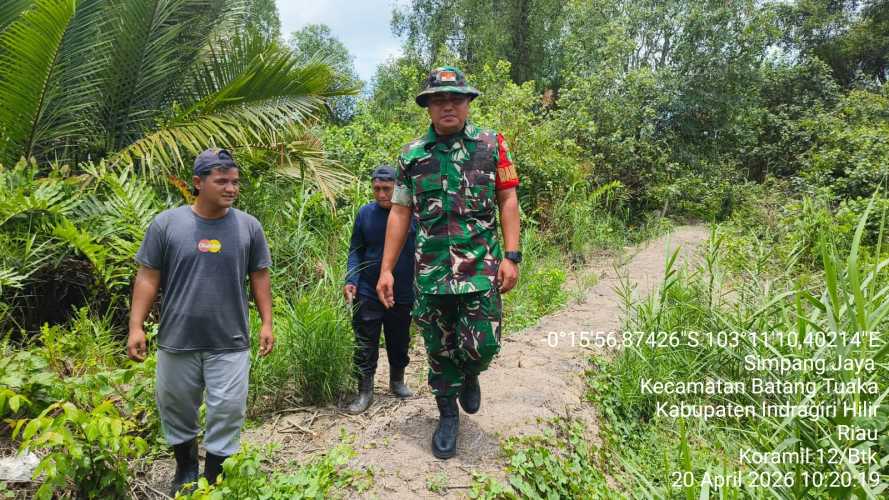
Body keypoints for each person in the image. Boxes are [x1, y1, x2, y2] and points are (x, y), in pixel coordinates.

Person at [376, 66, 522, 459]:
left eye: (456, 98)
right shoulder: (412, 155)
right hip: (431, 273)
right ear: (427, 107)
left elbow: (507, 199)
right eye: (438, 99)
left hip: (480, 267)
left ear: (468, 102)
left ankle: (472, 373)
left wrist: (511, 256)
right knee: (439, 350)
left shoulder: (492, 145)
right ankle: (447, 416)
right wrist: (387, 269)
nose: (448, 106)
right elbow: (400, 212)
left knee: (483, 345)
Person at [127, 148, 274, 495]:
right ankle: (186, 467)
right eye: (222, 181)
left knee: (228, 408)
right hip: (177, 338)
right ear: (198, 182)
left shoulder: (248, 227)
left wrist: (267, 321)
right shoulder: (167, 224)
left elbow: (260, 276)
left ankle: (214, 473)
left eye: (235, 182)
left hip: (230, 338)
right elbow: (148, 277)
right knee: (176, 405)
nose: (231, 188)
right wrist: (136, 325)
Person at [343, 165, 417, 414]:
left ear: (397, 188)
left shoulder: (412, 215)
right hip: (367, 289)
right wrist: (351, 278)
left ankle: (397, 381)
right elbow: (356, 249)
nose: (381, 194)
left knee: (399, 339)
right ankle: (365, 391)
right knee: (365, 341)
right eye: (377, 189)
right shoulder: (365, 214)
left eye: (387, 189)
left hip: (402, 290)